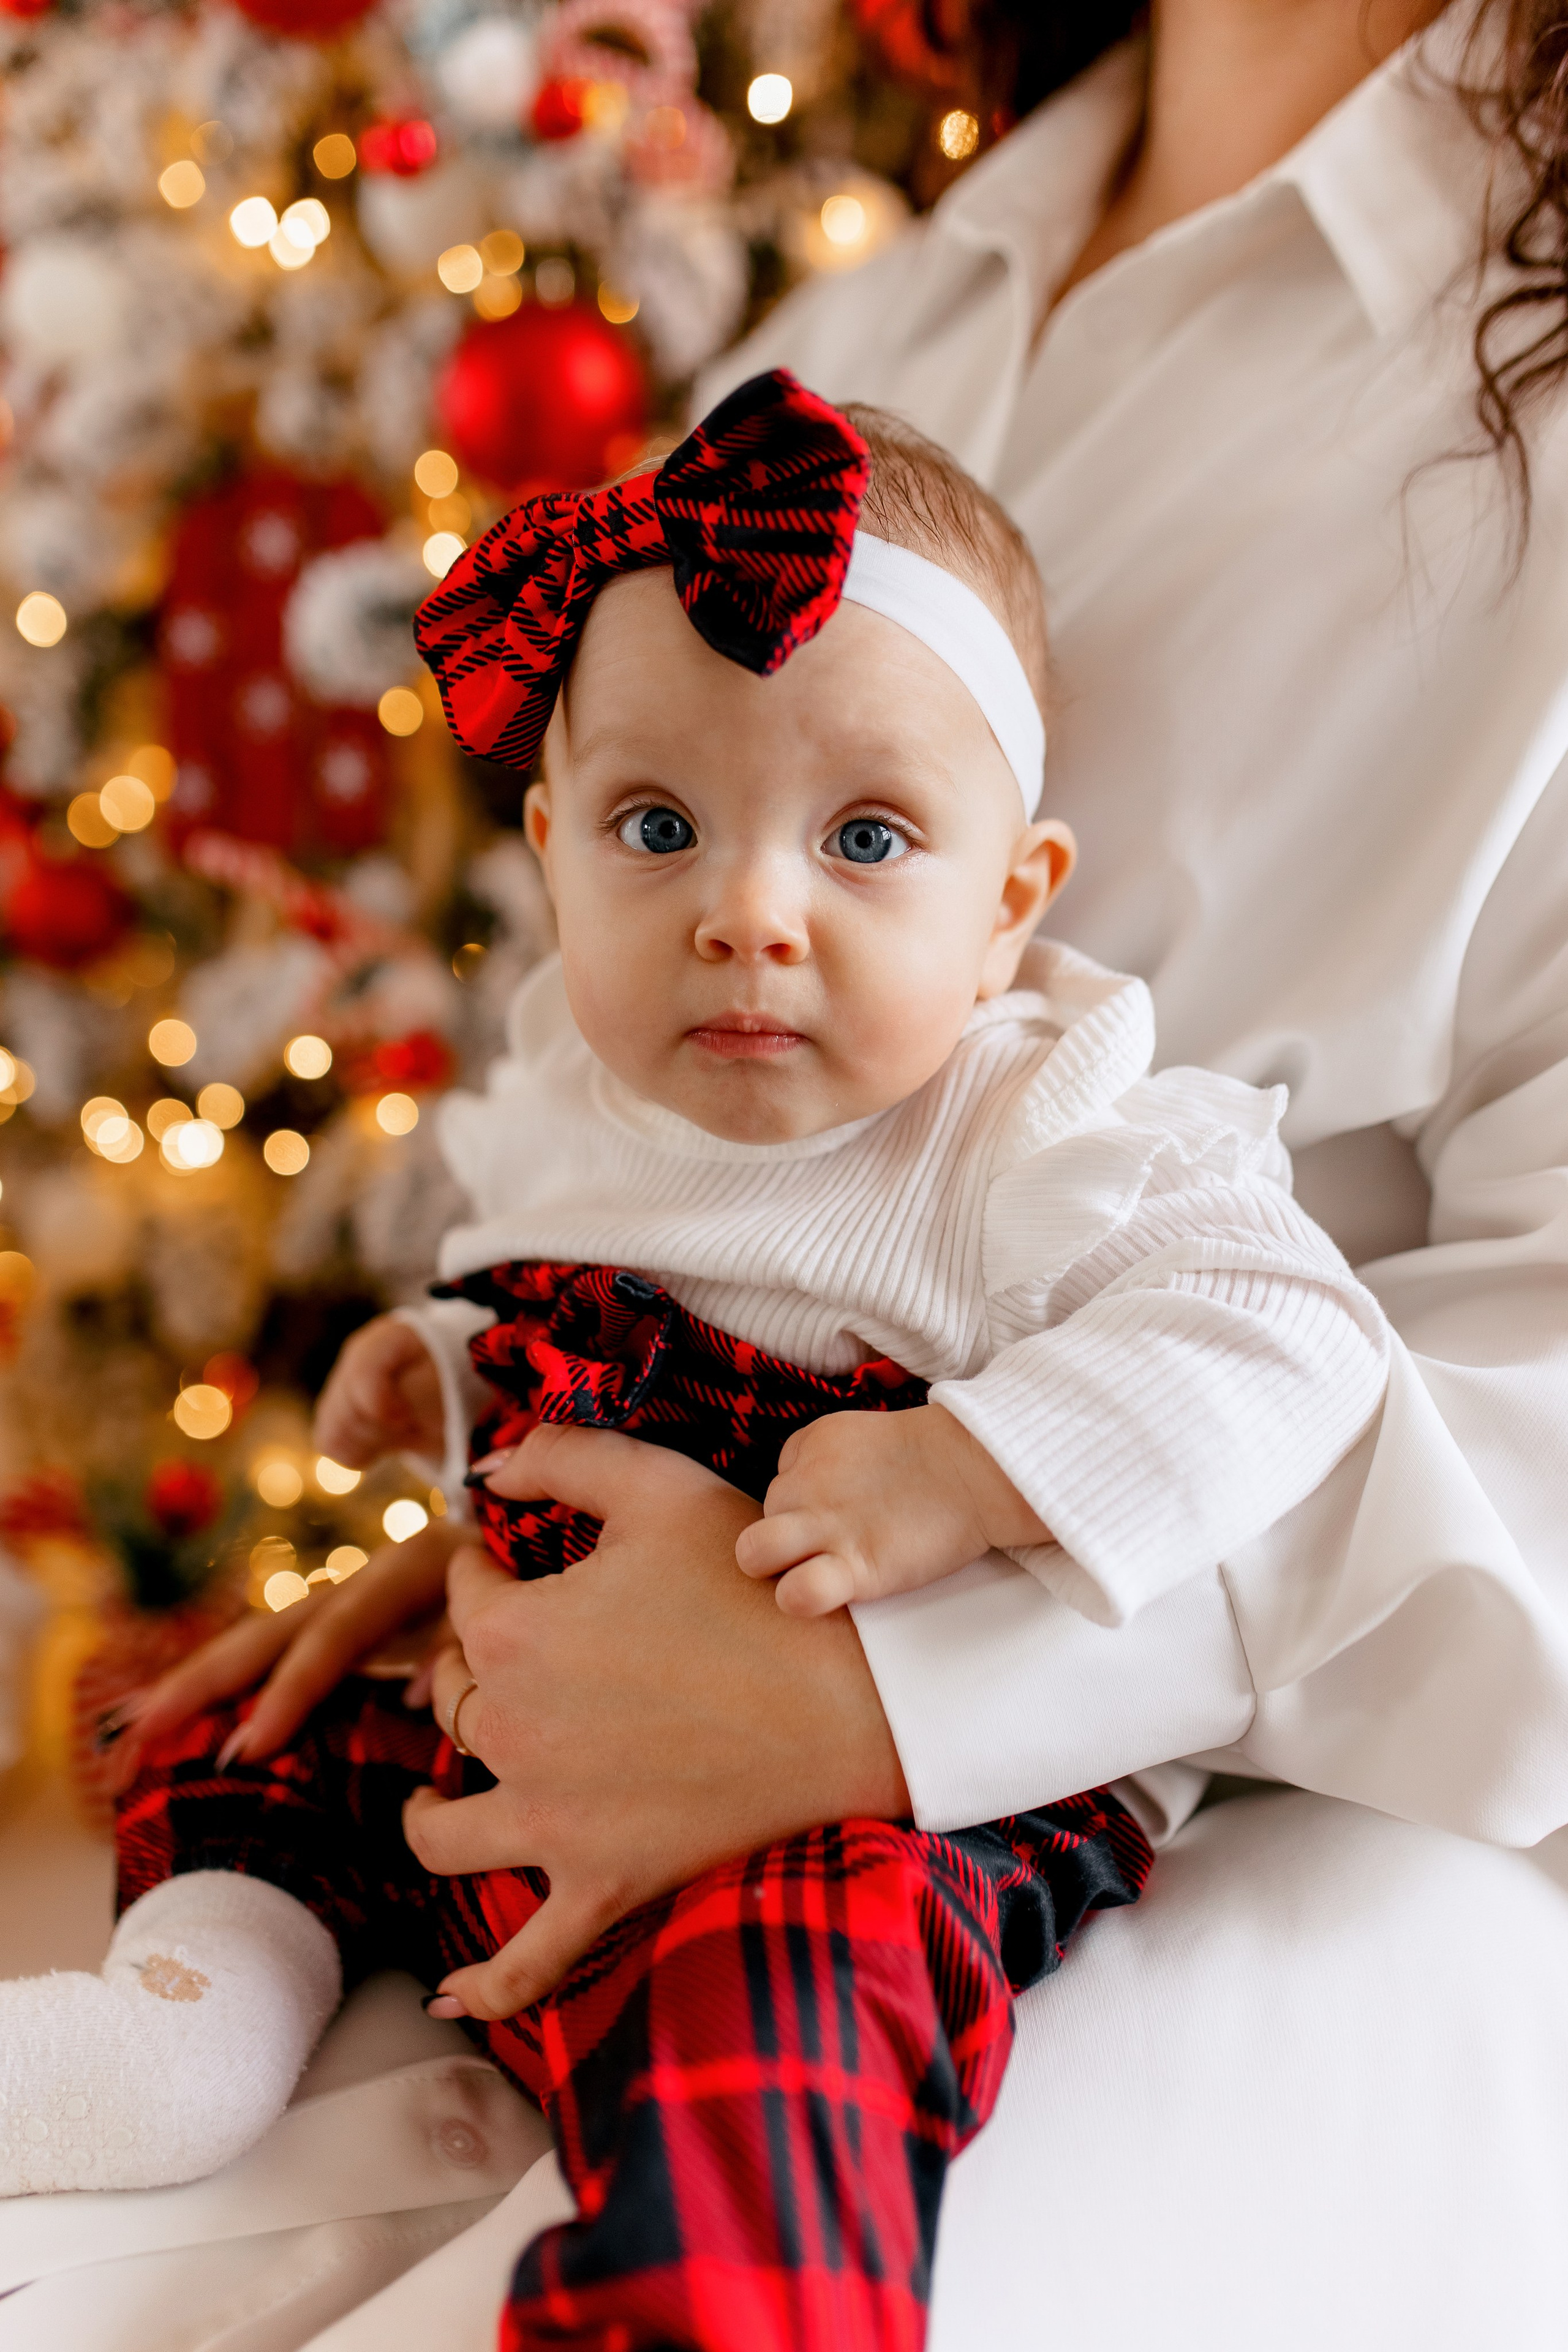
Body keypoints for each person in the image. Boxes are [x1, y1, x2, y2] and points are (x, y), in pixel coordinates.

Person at [84, 4, 1568, 2343]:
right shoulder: (867, 330)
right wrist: (511, 1491)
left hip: (1264, 1843)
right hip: (605, 1696)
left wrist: (884, 1685)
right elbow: (615, 1092)